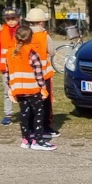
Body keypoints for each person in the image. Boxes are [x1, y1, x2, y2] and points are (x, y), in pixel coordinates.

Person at [4, 23, 56, 151]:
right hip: (32, 89)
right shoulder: (32, 54)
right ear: (31, 38)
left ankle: (26, 139)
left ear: (16, 37)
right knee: (38, 113)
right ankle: (38, 141)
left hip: (18, 90)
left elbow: (8, 73)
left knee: (24, 114)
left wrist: (11, 89)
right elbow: (38, 74)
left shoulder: (10, 53)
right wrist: (43, 88)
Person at [24, 8, 59, 138]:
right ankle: (45, 128)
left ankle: (31, 128)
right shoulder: (44, 36)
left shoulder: (24, 35)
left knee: (31, 103)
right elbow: (52, 52)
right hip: (44, 74)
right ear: (41, 22)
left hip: (29, 75)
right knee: (45, 102)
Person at [0, 7, 21, 125]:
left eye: (13, 18)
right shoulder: (1, 33)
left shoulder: (23, 31)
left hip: (20, 68)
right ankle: (8, 114)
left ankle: (25, 112)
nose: (11, 21)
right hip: (6, 68)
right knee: (7, 91)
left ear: (19, 18)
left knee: (22, 91)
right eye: (8, 19)